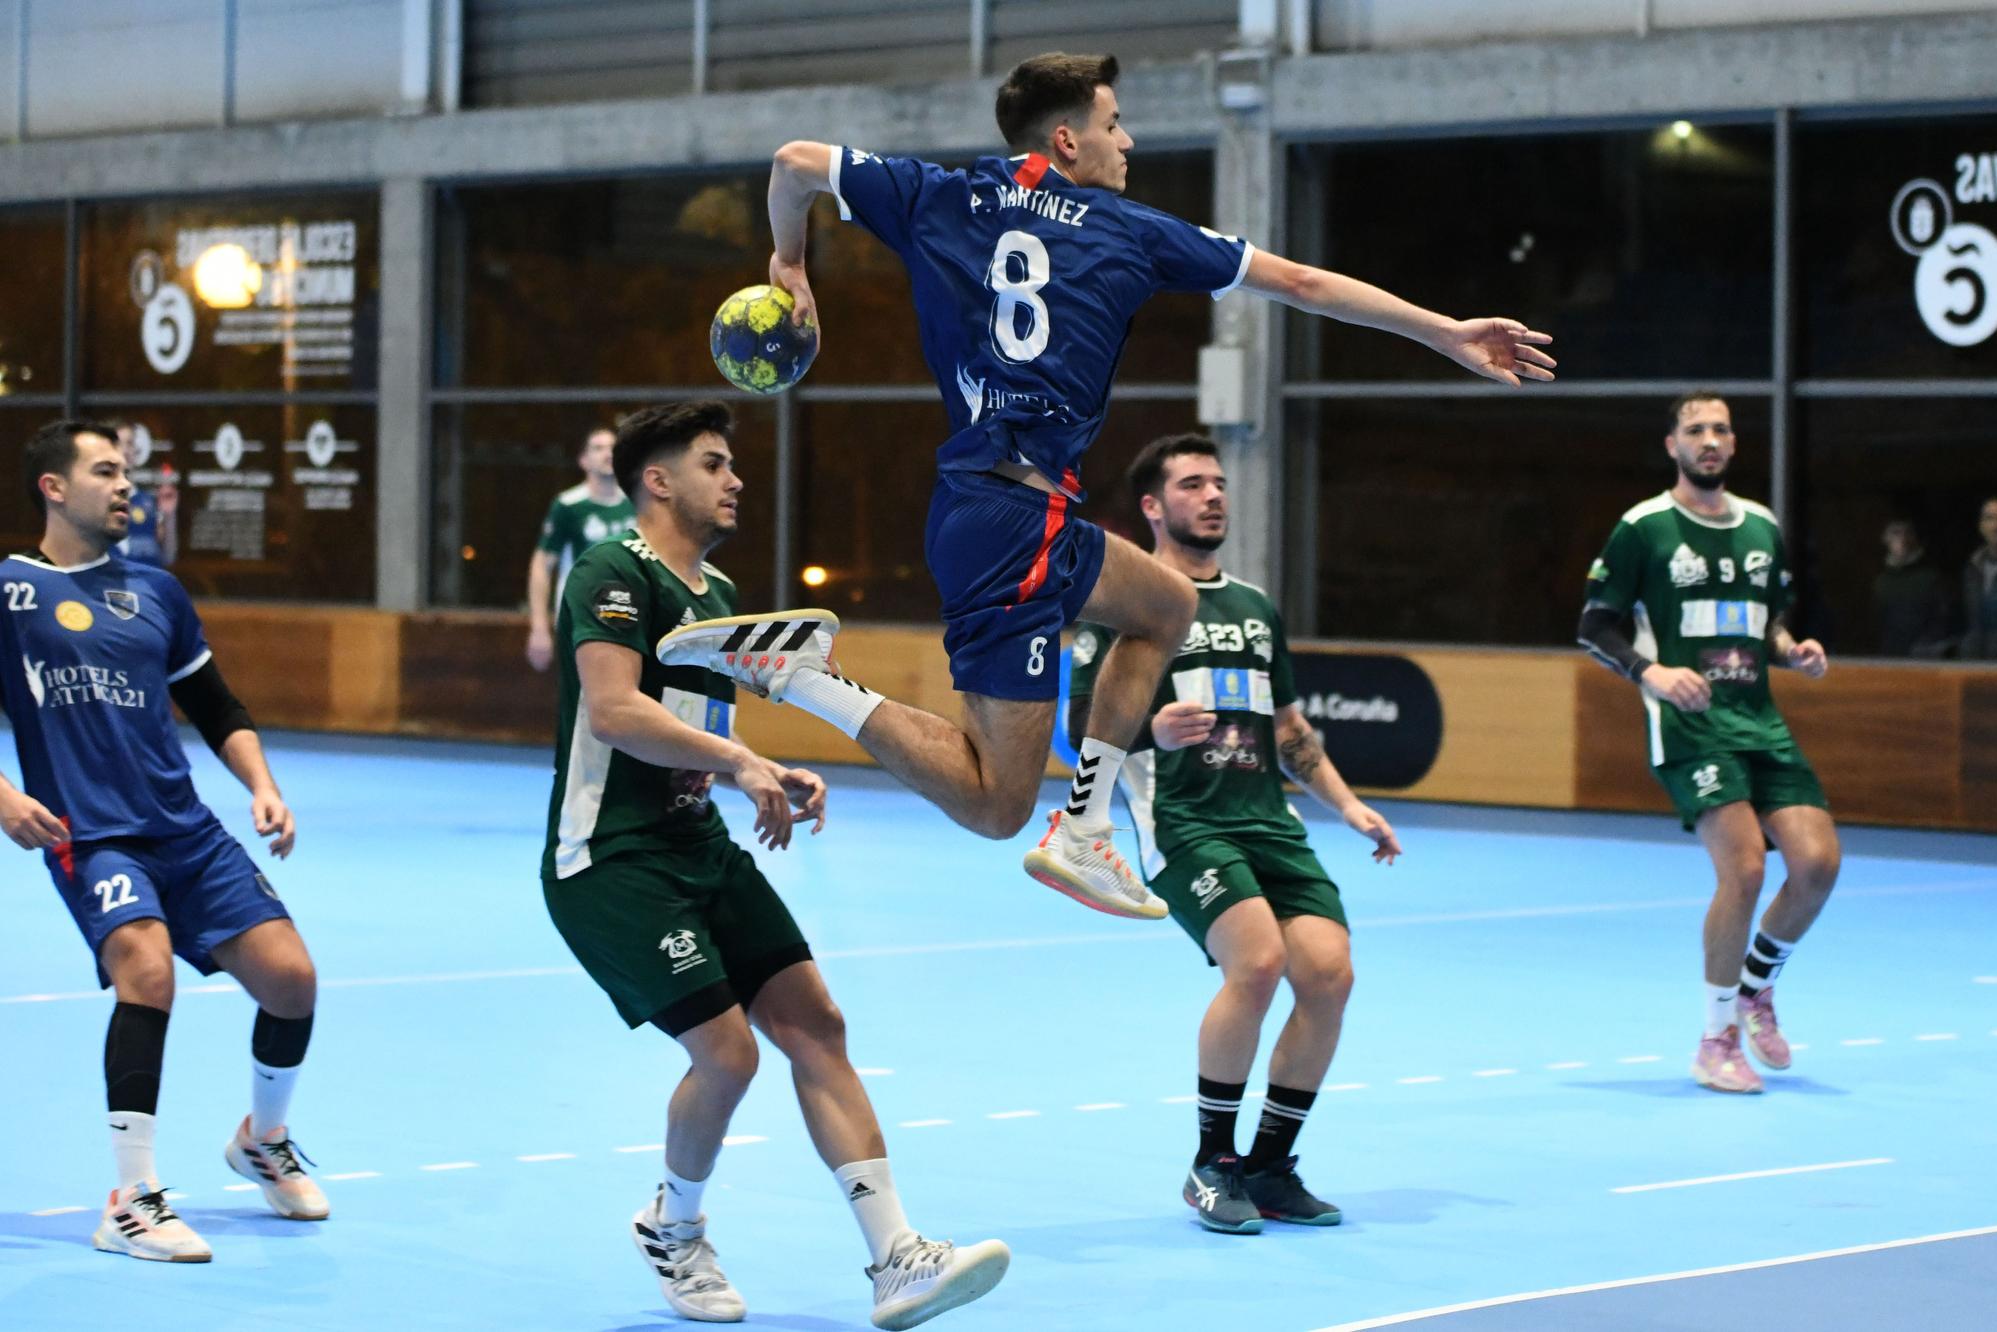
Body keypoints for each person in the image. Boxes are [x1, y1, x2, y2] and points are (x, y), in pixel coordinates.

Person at [666, 51, 1552, 924]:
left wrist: (790, 263)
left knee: (1167, 605)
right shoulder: (1127, 230)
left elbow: (792, 164)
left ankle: (1086, 822)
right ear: (1066, 139)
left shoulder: (939, 193)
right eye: (1114, 123)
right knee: (995, 804)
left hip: (996, 507)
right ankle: (810, 679)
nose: (1127, 142)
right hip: (1018, 520)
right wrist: (1443, 332)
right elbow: (1303, 283)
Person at [541, 401, 1008, 1329]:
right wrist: (742, 764)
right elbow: (615, 712)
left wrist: (768, 769)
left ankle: (896, 1258)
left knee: (817, 1025)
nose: (736, 478)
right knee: (727, 1053)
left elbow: (699, 726)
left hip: (697, 848)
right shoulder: (609, 572)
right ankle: (673, 1229)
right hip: (611, 859)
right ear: (659, 480)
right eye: (714, 463)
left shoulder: (718, 597)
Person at [0, 420, 322, 1262]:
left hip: (187, 832)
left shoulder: (156, 592)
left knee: (292, 983)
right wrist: (2, 796)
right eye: (105, 471)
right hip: (93, 834)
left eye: (126, 472)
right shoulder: (10, 590)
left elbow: (216, 706)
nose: (124, 486)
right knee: (145, 971)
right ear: (53, 487)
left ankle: (263, 1139)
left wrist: (262, 785)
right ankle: (131, 1199)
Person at [1066, 433, 1399, 1233]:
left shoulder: (1253, 608)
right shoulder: (1120, 606)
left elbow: (1288, 728)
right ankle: (1212, 1163)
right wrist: (1151, 729)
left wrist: (1348, 805)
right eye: (1192, 485)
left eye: (1218, 483)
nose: (1213, 495)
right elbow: (1075, 729)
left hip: (1268, 823)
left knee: (1330, 975)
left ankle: (1271, 1166)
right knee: (1257, 962)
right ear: (1153, 506)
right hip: (1182, 822)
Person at [1577, 393, 1841, 1095]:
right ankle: (1716, 1038)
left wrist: (1793, 651)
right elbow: (1595, 626)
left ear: (1733, 443)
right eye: (1695, 429)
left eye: (1720, 428)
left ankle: (1755, 988)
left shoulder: (1761, 526)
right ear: (1673, 446)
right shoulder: (1644, 528)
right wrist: (1652, 672)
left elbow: (1766, 625)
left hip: (1760, 720)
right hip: (1690, 725)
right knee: (1746, 870)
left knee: (1818, 865)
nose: (1710, 439)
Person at [526, 426, 634, 671]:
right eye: (598, 448)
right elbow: (542, 565)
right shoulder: (569, 506)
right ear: (583, 460)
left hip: (629, 618)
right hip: (581, 618)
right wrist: (540, 627)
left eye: (613, 448)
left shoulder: (636, 503)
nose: (608, 454)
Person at [1870, 516, 1951, 657]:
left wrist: (1926, 646)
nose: (1902, 539)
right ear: (1885, 538)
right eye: (1896, 532)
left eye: (1908, 532)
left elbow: (1943, 620)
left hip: (1924, 659)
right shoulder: (1881, 582)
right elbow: (1875, 626)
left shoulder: (1931, 579)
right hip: (1887, 658)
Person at [110, 419, 177, 569]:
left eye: (130, 443)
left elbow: (168, 556)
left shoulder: (148, 500)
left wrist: (169, 515)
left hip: (148, 587)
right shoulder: (99, 500)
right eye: (120, 444)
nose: (126, 450)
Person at [1962, 496, 1997, 660]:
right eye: (1990, 518)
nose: (1996, 526)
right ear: (1981, 526)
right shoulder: (1972, 569)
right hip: (1977, 662)